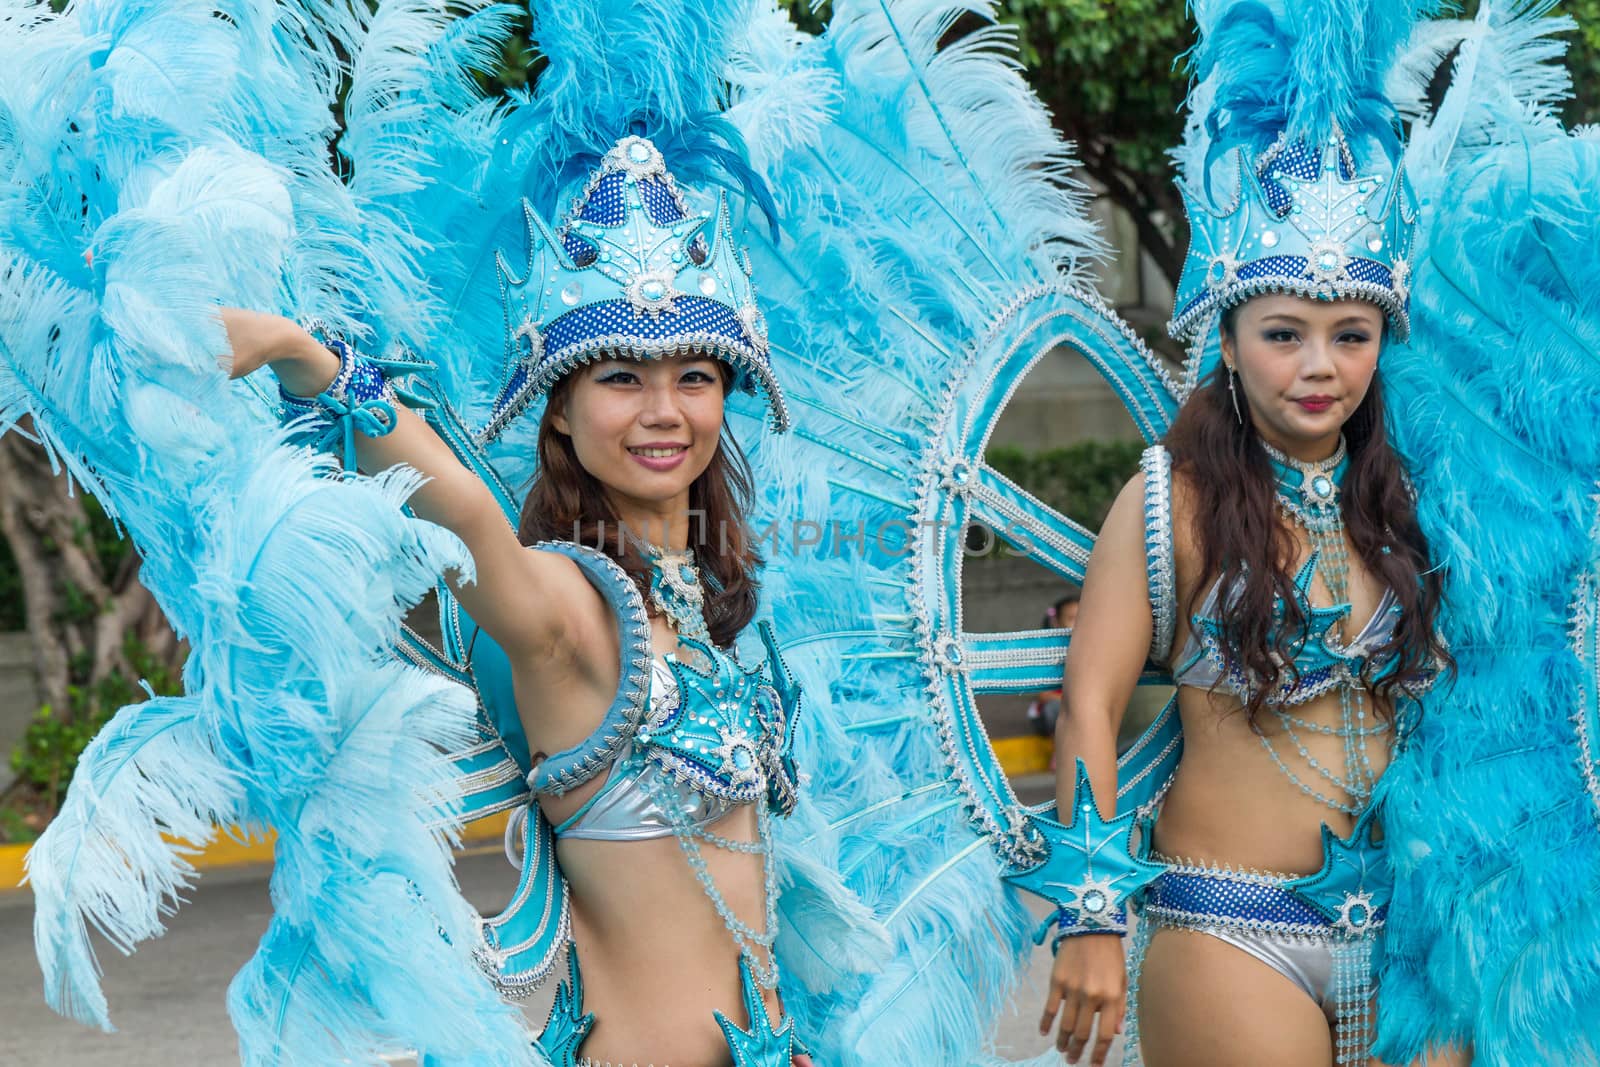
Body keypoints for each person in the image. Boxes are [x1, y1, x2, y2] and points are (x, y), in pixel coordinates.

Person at [221, 135, 812, 1067]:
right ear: (560, 411)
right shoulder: (570, 613)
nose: (664, 410)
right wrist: (313, 361)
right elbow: (463, 511)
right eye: (621, 377)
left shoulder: (707, 614)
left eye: (693, 377)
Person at [1033, 3, 1462, 1065]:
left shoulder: (1414, 502)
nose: (1317, 366)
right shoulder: (1165, 500)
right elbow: (1088, 698)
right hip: (1231, 925)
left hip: (1410, 938)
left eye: (1348, 335)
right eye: (1282, 334)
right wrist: (1091, 909)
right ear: (1226, 338)